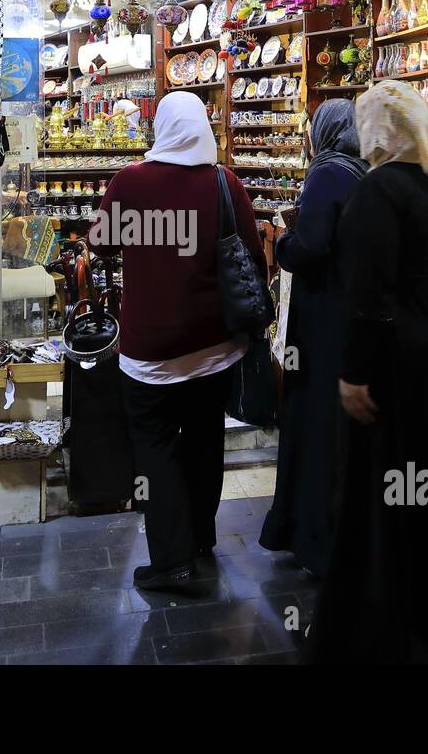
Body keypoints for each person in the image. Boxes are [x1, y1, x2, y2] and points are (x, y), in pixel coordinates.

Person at [310, 82, 428, 664]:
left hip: (402, 362)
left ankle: (390, 620)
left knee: (392, 489)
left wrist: (354, 374)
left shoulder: (378, 193)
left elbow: (368, 298)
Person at [89, 91, 267, 592]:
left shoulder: (130, 181)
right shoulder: (223, 182)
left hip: (150, 351)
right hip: (214, 347)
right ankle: (200, 539)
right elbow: (253, 253)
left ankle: (171, 559)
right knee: (206, 441)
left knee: (157, 449)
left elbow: (100, 244)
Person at [259, 99, 368, 574]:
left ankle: (314, 536)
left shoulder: (327, 173)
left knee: (315, 422)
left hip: (323, 317)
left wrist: (281, 242)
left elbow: (311, 248)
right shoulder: (363, 170)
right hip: (350, 314)